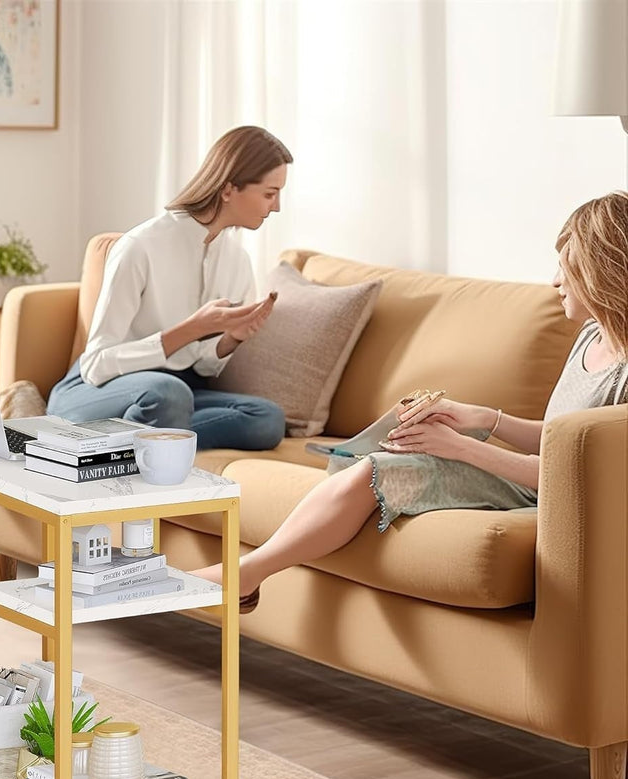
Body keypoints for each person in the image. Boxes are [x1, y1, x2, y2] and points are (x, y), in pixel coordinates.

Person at [196, 190, 628, 610]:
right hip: (532, 478)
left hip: (555, 499)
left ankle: (243, 576)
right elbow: (558, 438)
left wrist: (459, 447)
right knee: (381, 454)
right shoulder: (589, 336)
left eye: (566, 267)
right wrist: (479, 417)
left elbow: (572, 474)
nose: (554, 280)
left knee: (376, 471)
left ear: (600, 271)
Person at [47, 125, 293, 450]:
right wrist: (193, 328)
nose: (275, 207)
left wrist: (232, 337)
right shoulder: (141, 246)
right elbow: (96, 366)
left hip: (171, 396)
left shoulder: (236, 260)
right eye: (269, 193)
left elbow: (203, 364)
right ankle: (148, 438)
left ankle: (138, 440)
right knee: (169, 393)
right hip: (98, 389)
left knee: (266, 419)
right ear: (229, 189)